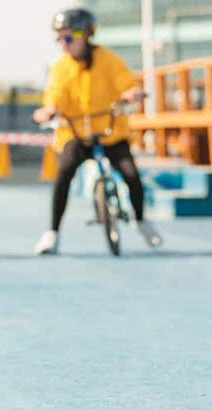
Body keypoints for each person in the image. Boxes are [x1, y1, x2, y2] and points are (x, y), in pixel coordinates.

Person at [32, 8, 162, 255]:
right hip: (75, 134)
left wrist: (131, 93)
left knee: (131, 175)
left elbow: (126, 82)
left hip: (109, 133)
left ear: (86, 35)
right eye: (59, 38)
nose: (64, 44)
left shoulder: (108, 60)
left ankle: (142, 220)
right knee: (63, 175)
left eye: (69, 38)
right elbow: (54, 95)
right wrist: (48, 110)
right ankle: (53, 233)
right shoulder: (60, 67)